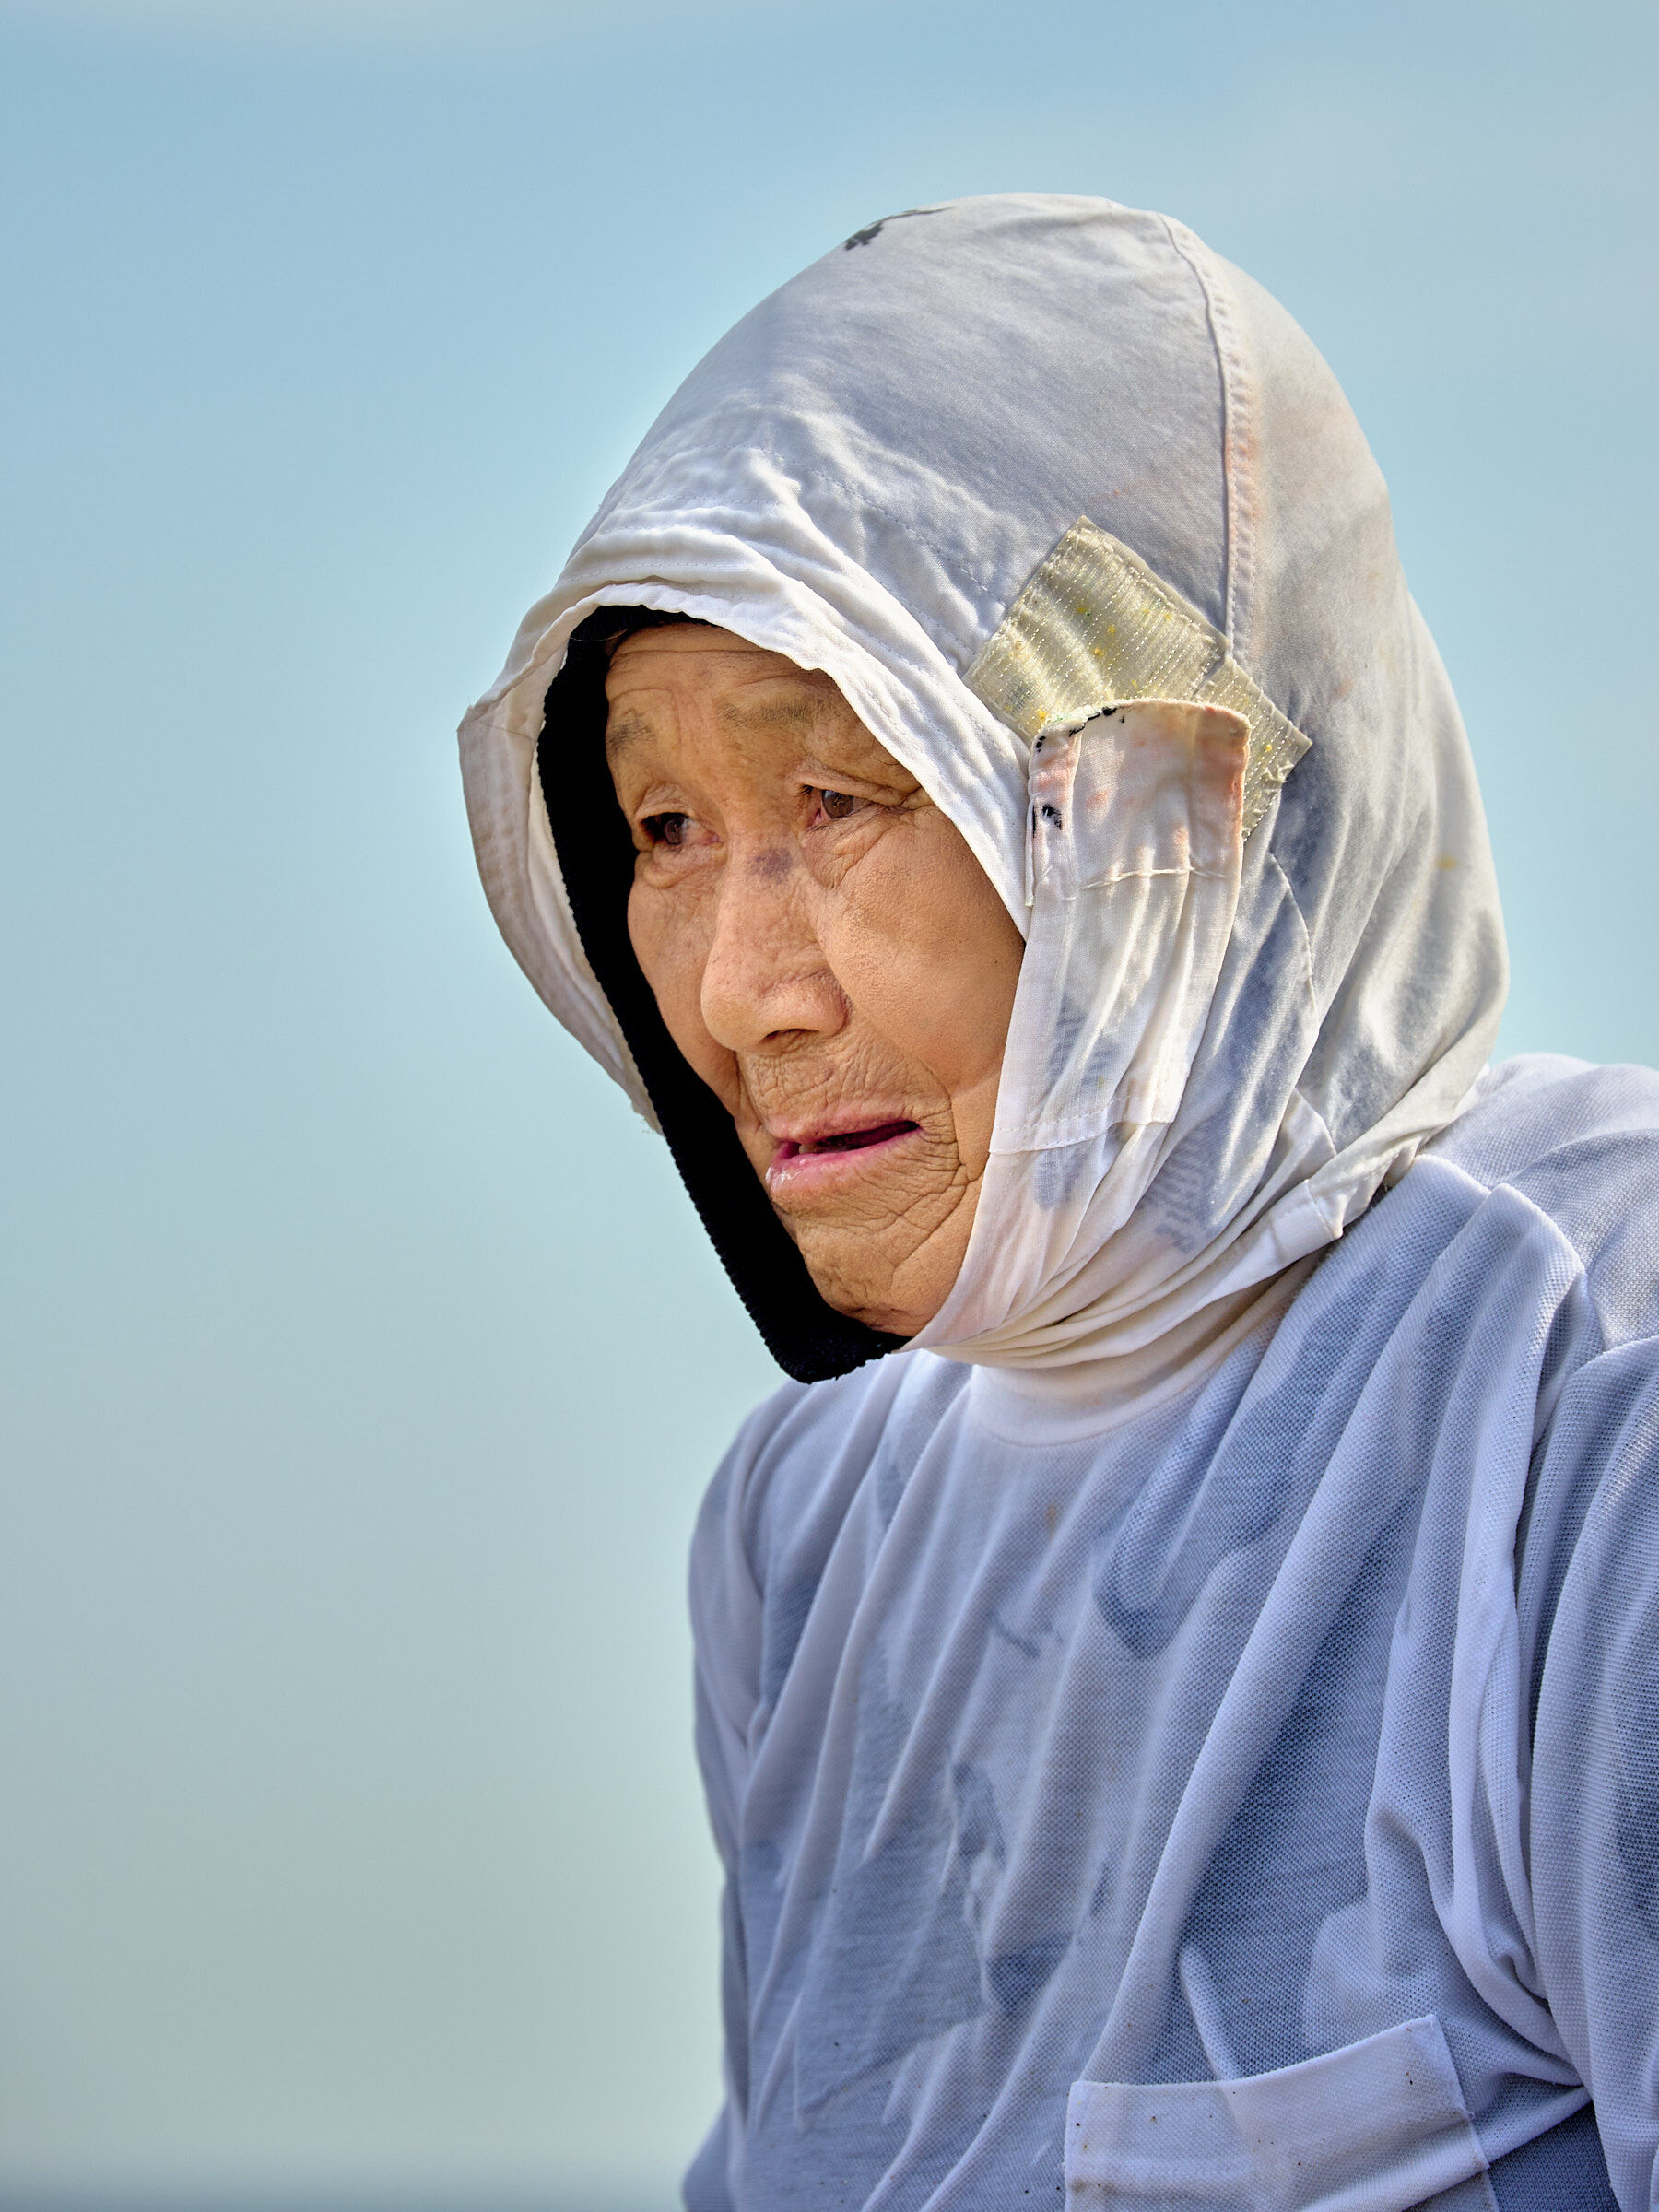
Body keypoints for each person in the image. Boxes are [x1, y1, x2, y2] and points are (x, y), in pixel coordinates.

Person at [459, 195, 1659, 2210]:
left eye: (837, 799)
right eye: (664, 827)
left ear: (1161, 820)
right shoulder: (809, 1528)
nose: (741, 994)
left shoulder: (1582, 1385)